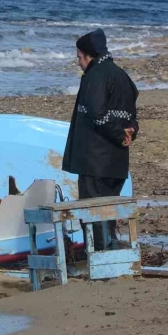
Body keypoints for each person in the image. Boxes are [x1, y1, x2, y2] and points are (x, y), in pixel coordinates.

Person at [62, 28, 138, 250]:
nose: (78, 63)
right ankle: (109, 253)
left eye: (79, 57)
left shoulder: (95, 75)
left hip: (94, 160)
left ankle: (99, 256)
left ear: (89, 55)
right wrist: (129, 132)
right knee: (109, 212)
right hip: (117, 161)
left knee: (93, 212)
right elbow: (131, 116)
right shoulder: (123, 76)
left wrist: (118, 133)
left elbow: (97, 112)